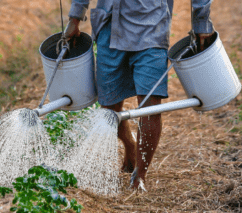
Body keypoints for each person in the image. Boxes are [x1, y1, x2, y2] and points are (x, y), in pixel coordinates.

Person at [64, 0, 215, 190]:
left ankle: (140, 176)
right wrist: (75, 17)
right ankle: (130, 144)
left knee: (150, 107)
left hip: (152, 28)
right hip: (109, 27)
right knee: (109, 109)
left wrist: (201, 22)